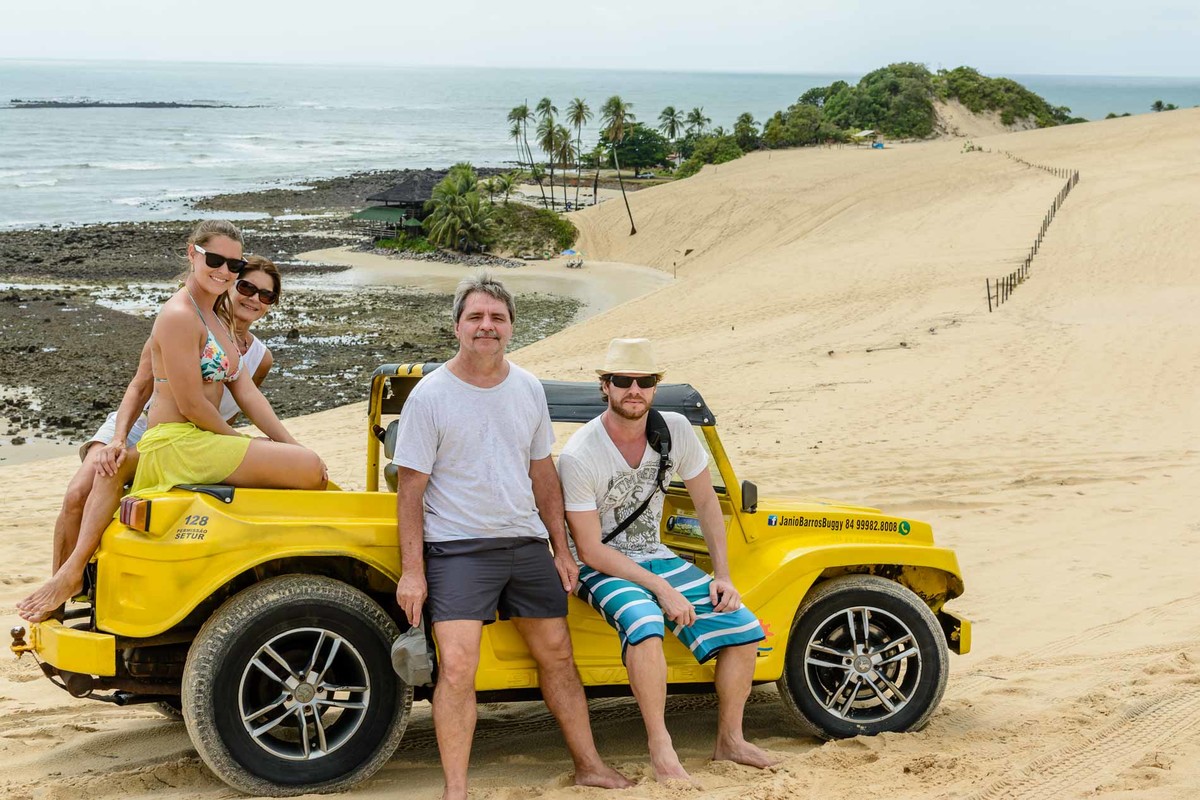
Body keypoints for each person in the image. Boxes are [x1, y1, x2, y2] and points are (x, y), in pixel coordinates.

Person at [392, 273, 631, 800]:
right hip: (456, 548)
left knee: (559, 655)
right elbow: (410, 488)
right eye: (475, 317)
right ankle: (456, 790)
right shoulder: (430, 396)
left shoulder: (527, 388)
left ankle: (590, 765)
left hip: (525, 544)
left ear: (511, 327)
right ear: (457, 326)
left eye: (497, 318)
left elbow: (543, 473)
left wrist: (561, 549)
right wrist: (413, 572)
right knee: (458, 667)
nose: (487, 326)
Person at [17, 221, 322, 622]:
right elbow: (186, 401)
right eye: (216, 261)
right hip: (175, 436)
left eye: (234, 265)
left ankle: (76, 572)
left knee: (308, 465)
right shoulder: (179, 315)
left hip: (193, 438)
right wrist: (238, 442)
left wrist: (290, 445)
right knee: (81, 489)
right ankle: (67, 578)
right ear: (193, 253)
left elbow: (248, 394)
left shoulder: (217, 319)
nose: (225, 271)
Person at [557, 338, 779, 781]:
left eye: (644, 381)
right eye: (622, 380)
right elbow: (590, 549)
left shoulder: (674, 429)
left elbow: (707, 503)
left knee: (743, 627)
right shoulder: (580, 454)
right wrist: (661, 590)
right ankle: (660, 745)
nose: (634, 390)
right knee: (645, 622)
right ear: (605, 386)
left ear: (655, 386)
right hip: (597, 564)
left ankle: (731, 741)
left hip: (656, 555)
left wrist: (723, 575)